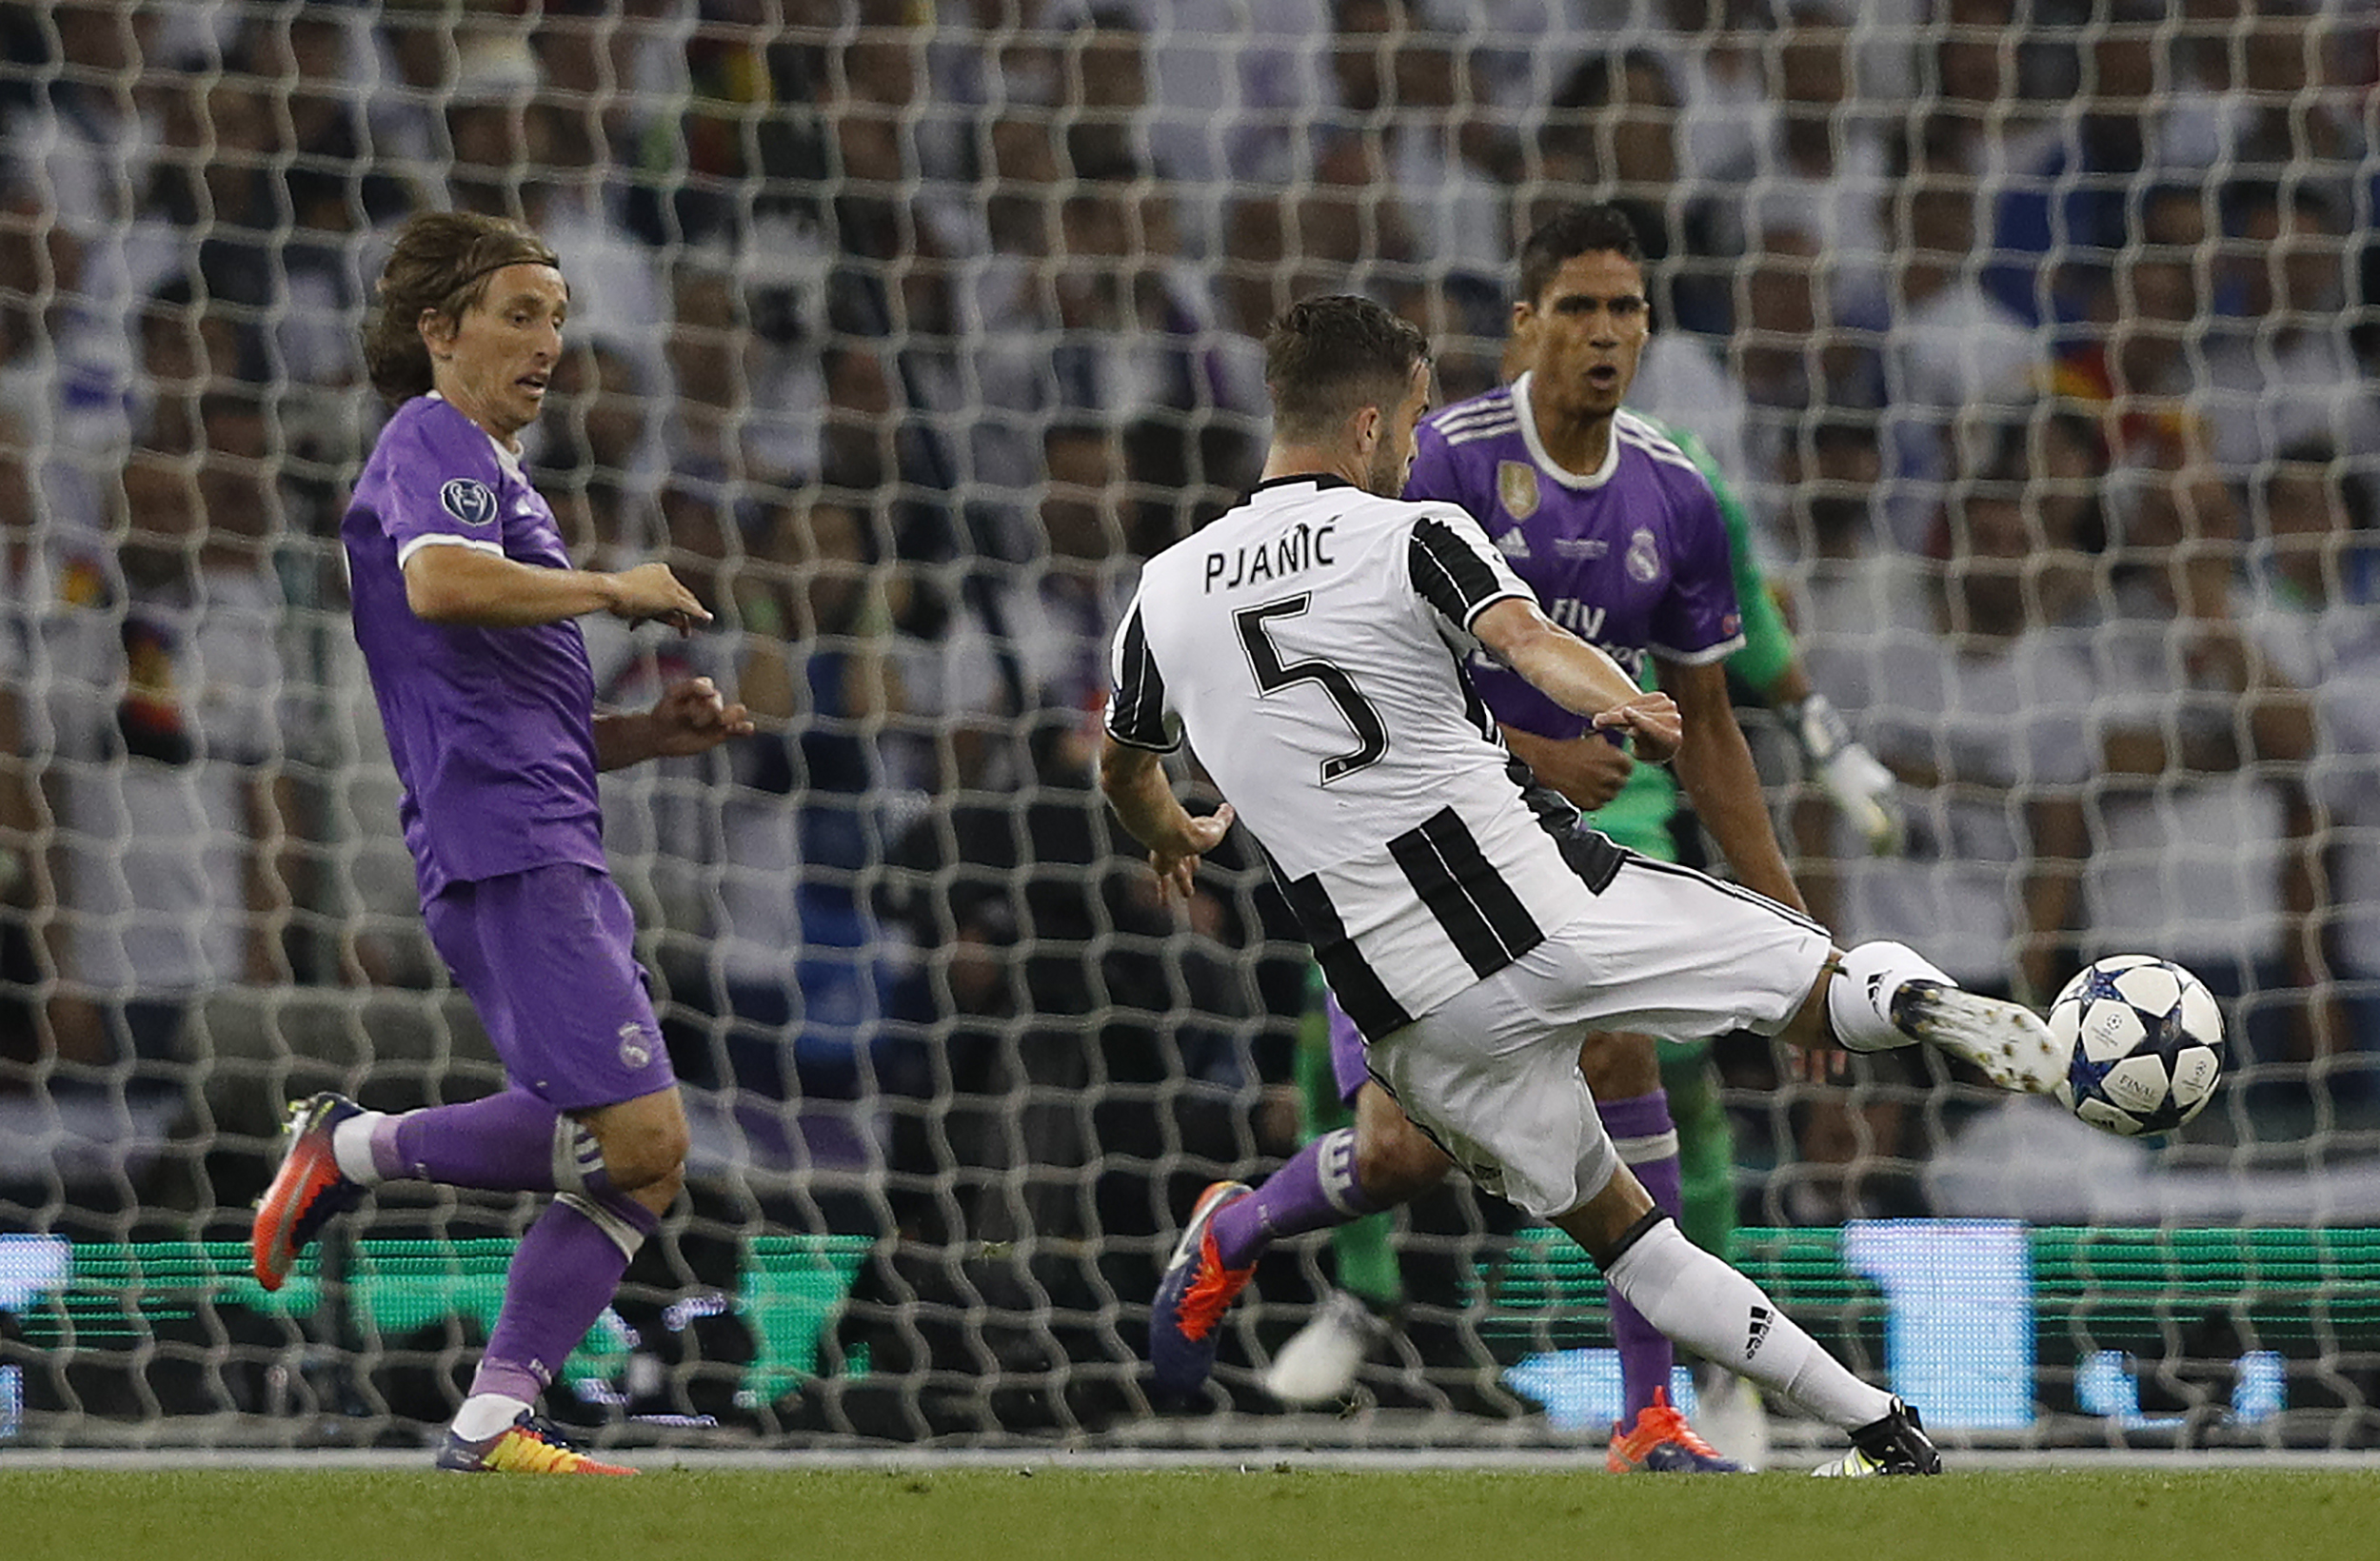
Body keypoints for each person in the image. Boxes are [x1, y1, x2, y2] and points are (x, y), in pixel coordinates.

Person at [1104, 291, 2064, 1476]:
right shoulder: (1415, 532)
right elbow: (1521, 640)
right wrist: (1609, 688)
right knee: (1813, 982)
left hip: (1413, 1012)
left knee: (1620, 1230)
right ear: (1364, 426)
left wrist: (1173, 831)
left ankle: (1871, 1424)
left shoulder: (1162, 594)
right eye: (1407, 420)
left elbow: (1122, 765)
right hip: (1548, 913)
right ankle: (1986, 1029)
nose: (1412, 446)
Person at [1212, 207, 1900, 1471]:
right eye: (1576, 308)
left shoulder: (1681, 485)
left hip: (1598, 833)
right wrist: (1531, 755)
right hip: (1418, 834)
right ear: (1524, 324)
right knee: (1402, 1152)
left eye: (1625, 310)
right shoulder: (1442, 469)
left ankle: (1659, 1406)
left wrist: (1807, 939)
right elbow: (1356, 678)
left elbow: (1712, 718)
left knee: (1638, 1057)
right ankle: (1268, 1245)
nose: (1603, 333)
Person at [248, 209, 754, 1476]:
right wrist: (612, 588)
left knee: (632, 1159)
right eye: (519, 315)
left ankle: (488, 1415)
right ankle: (352, 1155)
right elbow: (439, 584)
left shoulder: (493, 473)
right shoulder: (434, 440)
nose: (547, 344)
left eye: (559, 319)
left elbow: (525, 712)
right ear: (440, 330)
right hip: (507, 842)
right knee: (641, 1145)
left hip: (547, 832)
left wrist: (645, 734)